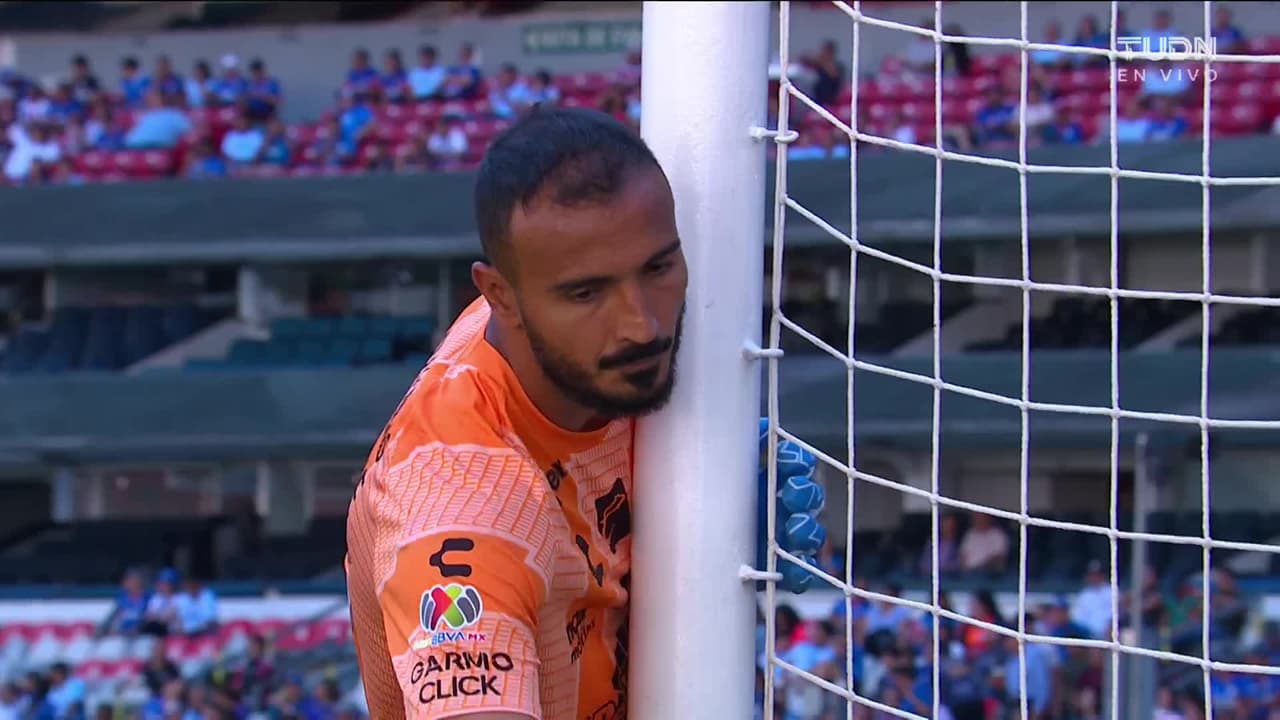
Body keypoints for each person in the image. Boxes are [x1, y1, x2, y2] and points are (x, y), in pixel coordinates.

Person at [345, 106, 826, 720]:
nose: (641, 325)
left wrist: (702, 535)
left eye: (658, 267)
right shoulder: (462, 503)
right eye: (587, 293)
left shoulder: (559, 325)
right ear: (500, 297)